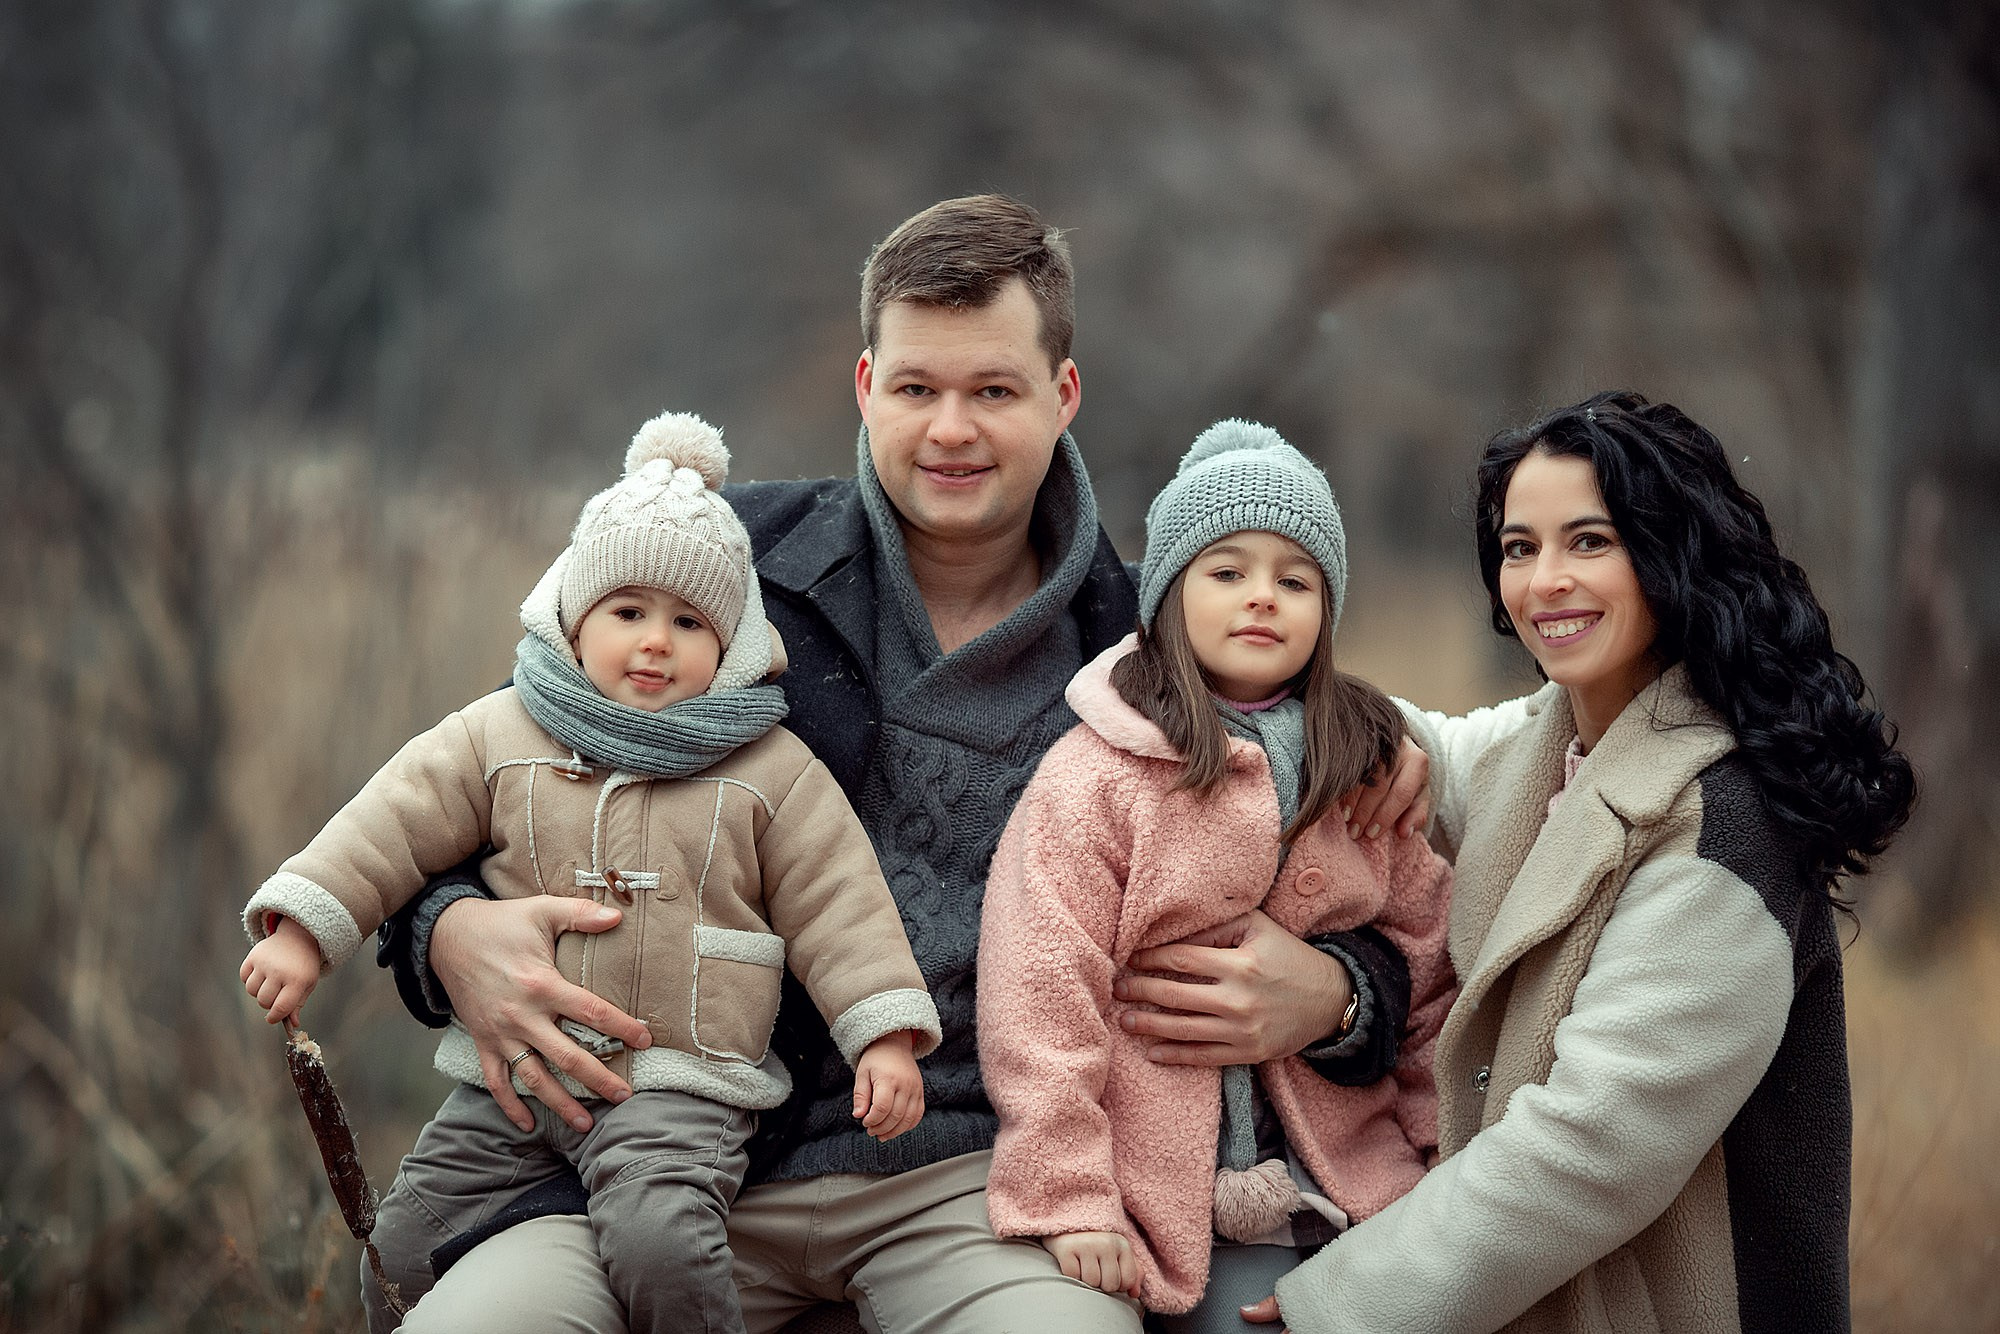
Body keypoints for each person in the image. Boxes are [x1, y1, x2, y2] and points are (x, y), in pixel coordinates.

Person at [372, 195, 1432, 1333]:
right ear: (867, 385)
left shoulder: (1155, 638)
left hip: (980, 1182)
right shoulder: (724, 567)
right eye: (917, 388)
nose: (950, 430)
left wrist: (1345, 992)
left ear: (1064, 394)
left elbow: (1324, 842)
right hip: (663, 1146)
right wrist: (445, 932)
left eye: (994, 391)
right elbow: (481, 778)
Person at [238, 411, 943, 1334]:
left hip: (680, 1085)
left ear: (731, 643)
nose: (655, 642)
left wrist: (883, 1036)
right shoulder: (500, 733)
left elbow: (839, 903)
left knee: (660, 1242)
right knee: (401, 1247)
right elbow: (389, 825)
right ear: (575, 618)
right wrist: (304, 931)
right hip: (513, 1078)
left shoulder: (771, 770)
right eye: (628, 613)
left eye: (689, 622)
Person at [1243, 390, 1916, 1334]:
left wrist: (1337, 1303)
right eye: (1520, 548)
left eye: (1589, 541)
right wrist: (1203, 659)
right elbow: (1436, 751)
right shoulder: (1554, 743)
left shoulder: (1728, 825)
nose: (1545, 581)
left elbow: (1584, 1152)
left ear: (1670, 553)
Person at [978, 421, 1456, 1331]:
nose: (1262, 597)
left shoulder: (1360, 767)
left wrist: (1447, 1170)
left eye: (1296, 580)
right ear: (1168, 593)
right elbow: (1039, 991)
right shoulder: (1100, 775)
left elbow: (1431, 975)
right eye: (1227, 572)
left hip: (1358, 1187)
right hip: (1166, 1202)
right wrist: (1069, 1193)